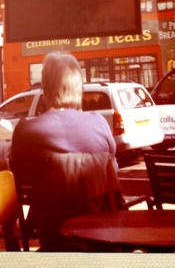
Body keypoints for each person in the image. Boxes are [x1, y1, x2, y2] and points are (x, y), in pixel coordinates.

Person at [10, 52, 120, 251]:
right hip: (102, 240)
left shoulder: (25, 131)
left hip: (53, 240)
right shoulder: (100, 123)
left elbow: (17, 179)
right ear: (79, 89)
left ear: (44, 88)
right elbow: (113, 175)